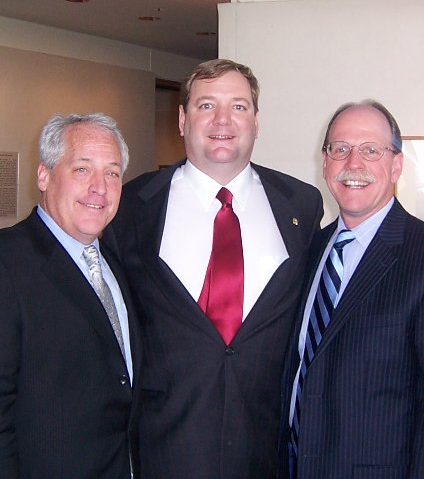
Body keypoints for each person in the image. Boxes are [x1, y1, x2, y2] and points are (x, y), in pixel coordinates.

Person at [103, 58, 323, 479]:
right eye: (206, 105)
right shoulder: (130, 208)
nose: (223, 120)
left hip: (268, 456)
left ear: (257, 121)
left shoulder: (301, 204)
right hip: (163, 453)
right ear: (183, 119)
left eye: (238, 106)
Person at [280, 100, 424, 478]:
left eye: (370, 150)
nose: (353, 164)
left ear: (396, 165)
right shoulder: (307, 250)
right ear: (325, 163)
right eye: (340, 149)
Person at [0, 113, 141, 478]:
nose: (100, 188)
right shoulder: (8, 262)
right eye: (82, 169)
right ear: (44, 175)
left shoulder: (114, 257)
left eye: (112, 173)